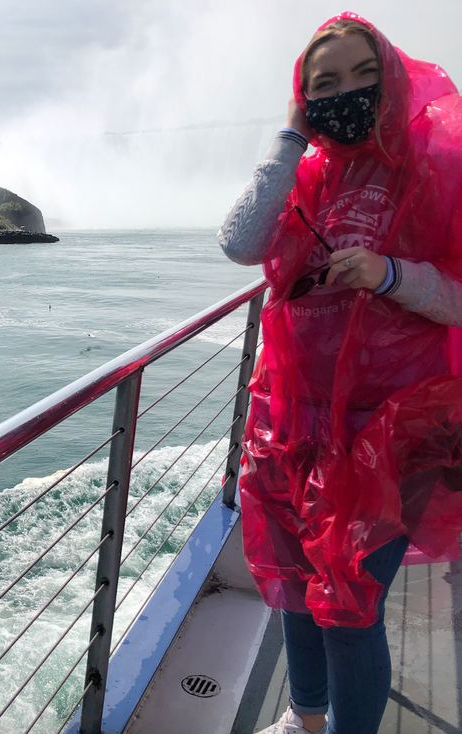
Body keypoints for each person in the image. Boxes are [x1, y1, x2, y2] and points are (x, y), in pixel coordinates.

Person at [219, 13, 462, 734]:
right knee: (297, 590)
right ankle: (305, 717)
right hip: (293, 418)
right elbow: (239, 244)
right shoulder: (308, 174)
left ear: (392, 81)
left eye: (363, 76)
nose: (346, 93)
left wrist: (391, 275)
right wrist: (292, 135)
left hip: (394, 428)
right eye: (323, 84)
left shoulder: (439, 164)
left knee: (351, 610)